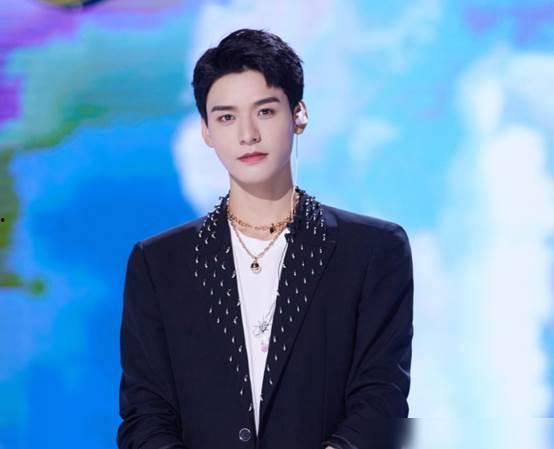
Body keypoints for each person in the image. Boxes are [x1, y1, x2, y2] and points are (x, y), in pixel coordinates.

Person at [117, 28, 414, 449]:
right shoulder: (159, 264)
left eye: (266, 111)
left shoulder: (374, 251)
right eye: (226, 117)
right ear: (206, 130)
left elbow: (383, 400)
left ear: (299, 114)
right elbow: (145, 417)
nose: (248, 134)